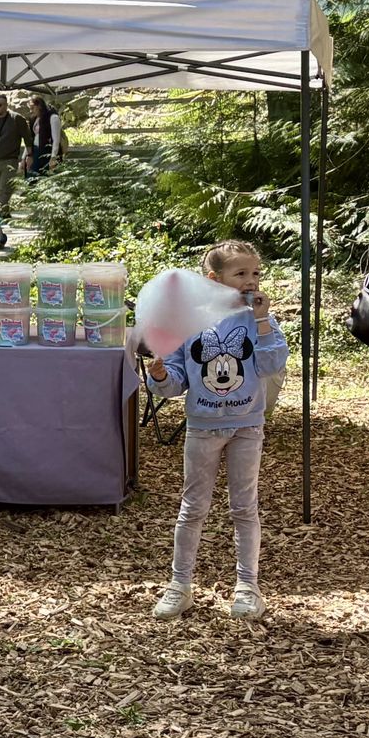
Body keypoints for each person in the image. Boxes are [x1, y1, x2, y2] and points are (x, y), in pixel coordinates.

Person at [143, 241, 288, 621]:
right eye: (240, 274)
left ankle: (247, 587)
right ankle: (180, 585)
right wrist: (159, 375)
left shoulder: (259, 319)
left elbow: (272, 364)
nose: (250, 281)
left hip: (246, 427)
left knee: (244, 507)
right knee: (192, 508)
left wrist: (261, 320)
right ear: (213, 280)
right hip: (202, 429)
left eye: (255, 273)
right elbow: (175, 382)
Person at [26, 96, 65, 177]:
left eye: (32, 108)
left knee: (47, 177)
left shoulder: (53, 117)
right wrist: (27, 156)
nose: (31, 111)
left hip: (48, 151)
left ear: (39, 106)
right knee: (31, 177)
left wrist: (53, 157)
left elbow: (56, 140)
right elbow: (31, 138)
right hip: (36, 151)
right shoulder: (34, 119)